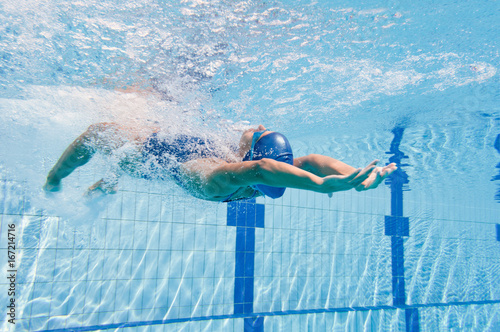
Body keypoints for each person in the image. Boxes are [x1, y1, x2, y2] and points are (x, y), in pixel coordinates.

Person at [43, 123, 397, 202]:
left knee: (97, 134)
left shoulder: (222, 179)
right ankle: (106, 182)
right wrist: (357, 177)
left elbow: (260, 169)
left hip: (155, 158)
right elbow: (313, 161)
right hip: (188, 147)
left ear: (251, 154)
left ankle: (53, 182)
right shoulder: (255, 169)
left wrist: (322, 186)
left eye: (257, 135)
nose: (257, 128)